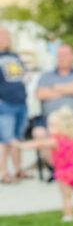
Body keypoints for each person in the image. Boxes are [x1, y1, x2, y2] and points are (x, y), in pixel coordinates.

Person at [16, 106, 73, 221]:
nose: (48, 128)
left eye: (51, 125)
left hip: (64, 173)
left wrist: (21, 145)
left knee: (66, 196)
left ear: (61, 127)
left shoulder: (56, 140)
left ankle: (68, 215)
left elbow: (39, 144)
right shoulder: (72, 139)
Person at [31, 43, 73, 173]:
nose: (62, 58)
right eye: (59, 55)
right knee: (38, 132)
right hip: (49, 118)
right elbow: (40, 94)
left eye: (65, 54)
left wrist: (53, 88)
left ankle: (71, 164)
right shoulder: (46, 75)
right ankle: (57, 168)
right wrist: (68, 88)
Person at [0, 25, 29, 183]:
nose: (6, 39)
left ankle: (18, 170)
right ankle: (4, 173)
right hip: (4, 105)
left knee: (18, 138)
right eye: (2, 36)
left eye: (7, 36)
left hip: (20, 102)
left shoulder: (14, 56)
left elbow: (24, 74)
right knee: (4, 139)